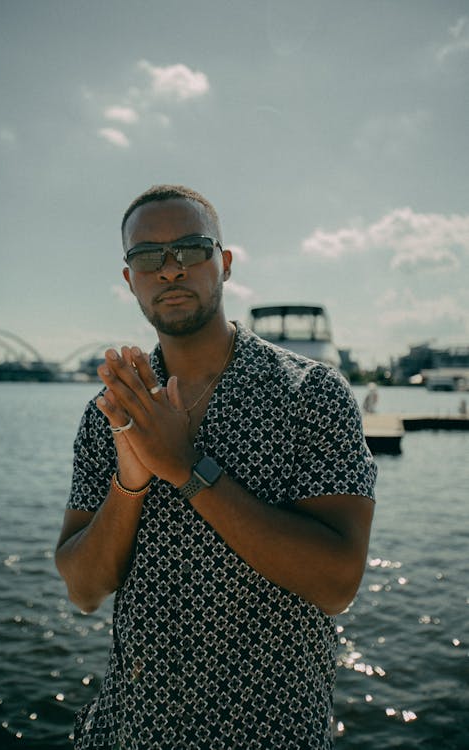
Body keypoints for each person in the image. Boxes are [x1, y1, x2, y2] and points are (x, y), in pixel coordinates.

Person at [56, 185, 377, 750]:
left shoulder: (312, 394)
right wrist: (130, 482)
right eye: (148, 257)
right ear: (130, 279)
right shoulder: (113, 410)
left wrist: (185, 468)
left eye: (190, 249)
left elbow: (337, 582)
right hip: (130, 732)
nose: (171, 269)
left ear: (223, 264)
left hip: (268, 734)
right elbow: (83, 589)